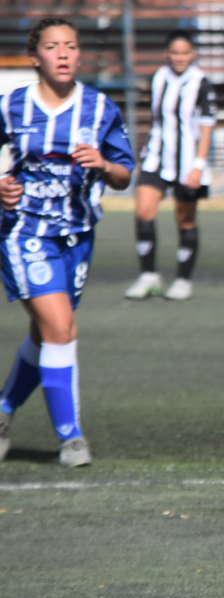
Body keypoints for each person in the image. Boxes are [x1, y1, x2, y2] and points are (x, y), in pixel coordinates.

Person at [0, 17, 135, 466]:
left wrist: (102, 163)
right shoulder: (11, 106)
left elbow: (123, 174)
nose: (63, 54)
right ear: (35, 56)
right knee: (60, 328)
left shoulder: (99, 109)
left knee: (45, 334)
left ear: (79, 55)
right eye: (53, 46)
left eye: (71, 46)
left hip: (77, 235)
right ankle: (71, 437)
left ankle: (2, 410)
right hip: (24, 232)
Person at [124, 29, 217, 301]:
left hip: (187, 162)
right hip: (156, 157)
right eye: (174, 52)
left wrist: (198, 165)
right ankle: (148, 275)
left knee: (185, 218)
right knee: (143, 211)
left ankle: (183, 279)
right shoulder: (158, 78)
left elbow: (207, 127)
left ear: (193, 54)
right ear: (167, 54)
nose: (179, 57)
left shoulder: (201, 83)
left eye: (184, 52)